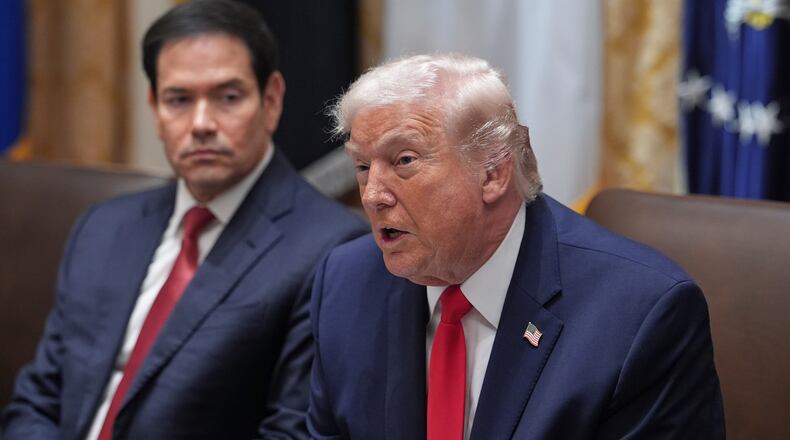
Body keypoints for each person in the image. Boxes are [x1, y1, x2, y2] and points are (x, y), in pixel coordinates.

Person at [308, 53, 725, 439]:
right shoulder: (346, 284)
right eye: (362, 166)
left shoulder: (640, 316)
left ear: (493, 173)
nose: (372, 195)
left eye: (404, 161)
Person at [1, 1, 366, 438]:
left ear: (271, 101)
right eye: (179, 99)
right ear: (155, 108)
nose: (201, 124)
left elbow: (292, 431)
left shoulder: (333, 251)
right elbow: (37, 401)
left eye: (228, 97)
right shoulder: (103, 226)